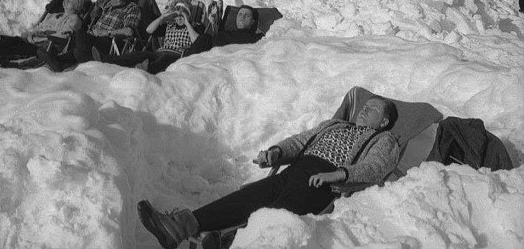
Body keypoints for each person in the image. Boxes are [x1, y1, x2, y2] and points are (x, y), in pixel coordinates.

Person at [137, 96, 400, 249]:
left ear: (384, 122)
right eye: (365, 104)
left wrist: (340, 175)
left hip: (324, 180)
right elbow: (299, 141)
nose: (365, 108)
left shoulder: (384, 140)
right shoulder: (334, 124)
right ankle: (180, 226)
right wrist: (276, 152)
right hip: (297, 169)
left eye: (374, 109)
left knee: (275, 212)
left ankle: (228, 243)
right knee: (249, 197)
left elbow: (376, 167)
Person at [37, 0, 142, 71]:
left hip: (110, 41)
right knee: (78, 39)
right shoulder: (109, 4)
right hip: (93, 37)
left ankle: (61, 61)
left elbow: (129, 31)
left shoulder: (132, 8)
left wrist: (107, 33)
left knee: (80, 36)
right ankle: (61, 61)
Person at [92, 0, 202, 74]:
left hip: (178, 56)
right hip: (159, 53)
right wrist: (162, 18)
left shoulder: (194, 27)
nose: (179, 18)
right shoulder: (169, 26)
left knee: (164, 58)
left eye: (183, 15)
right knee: (140, 54)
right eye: (177, 16)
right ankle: (107, 60)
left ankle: (146, 70)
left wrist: (187, 23)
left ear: (188, 16)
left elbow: (197, 41)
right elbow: (149, 30)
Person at [185, 5, 263, 56]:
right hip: (208, 62)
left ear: (253, 21)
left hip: (229, 64)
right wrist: (187, 23)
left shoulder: (256, 38)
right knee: (204, 37)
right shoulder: (223, 34)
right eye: (240, 14)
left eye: (247, 15)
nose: (242, 17)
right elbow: (198, 42)